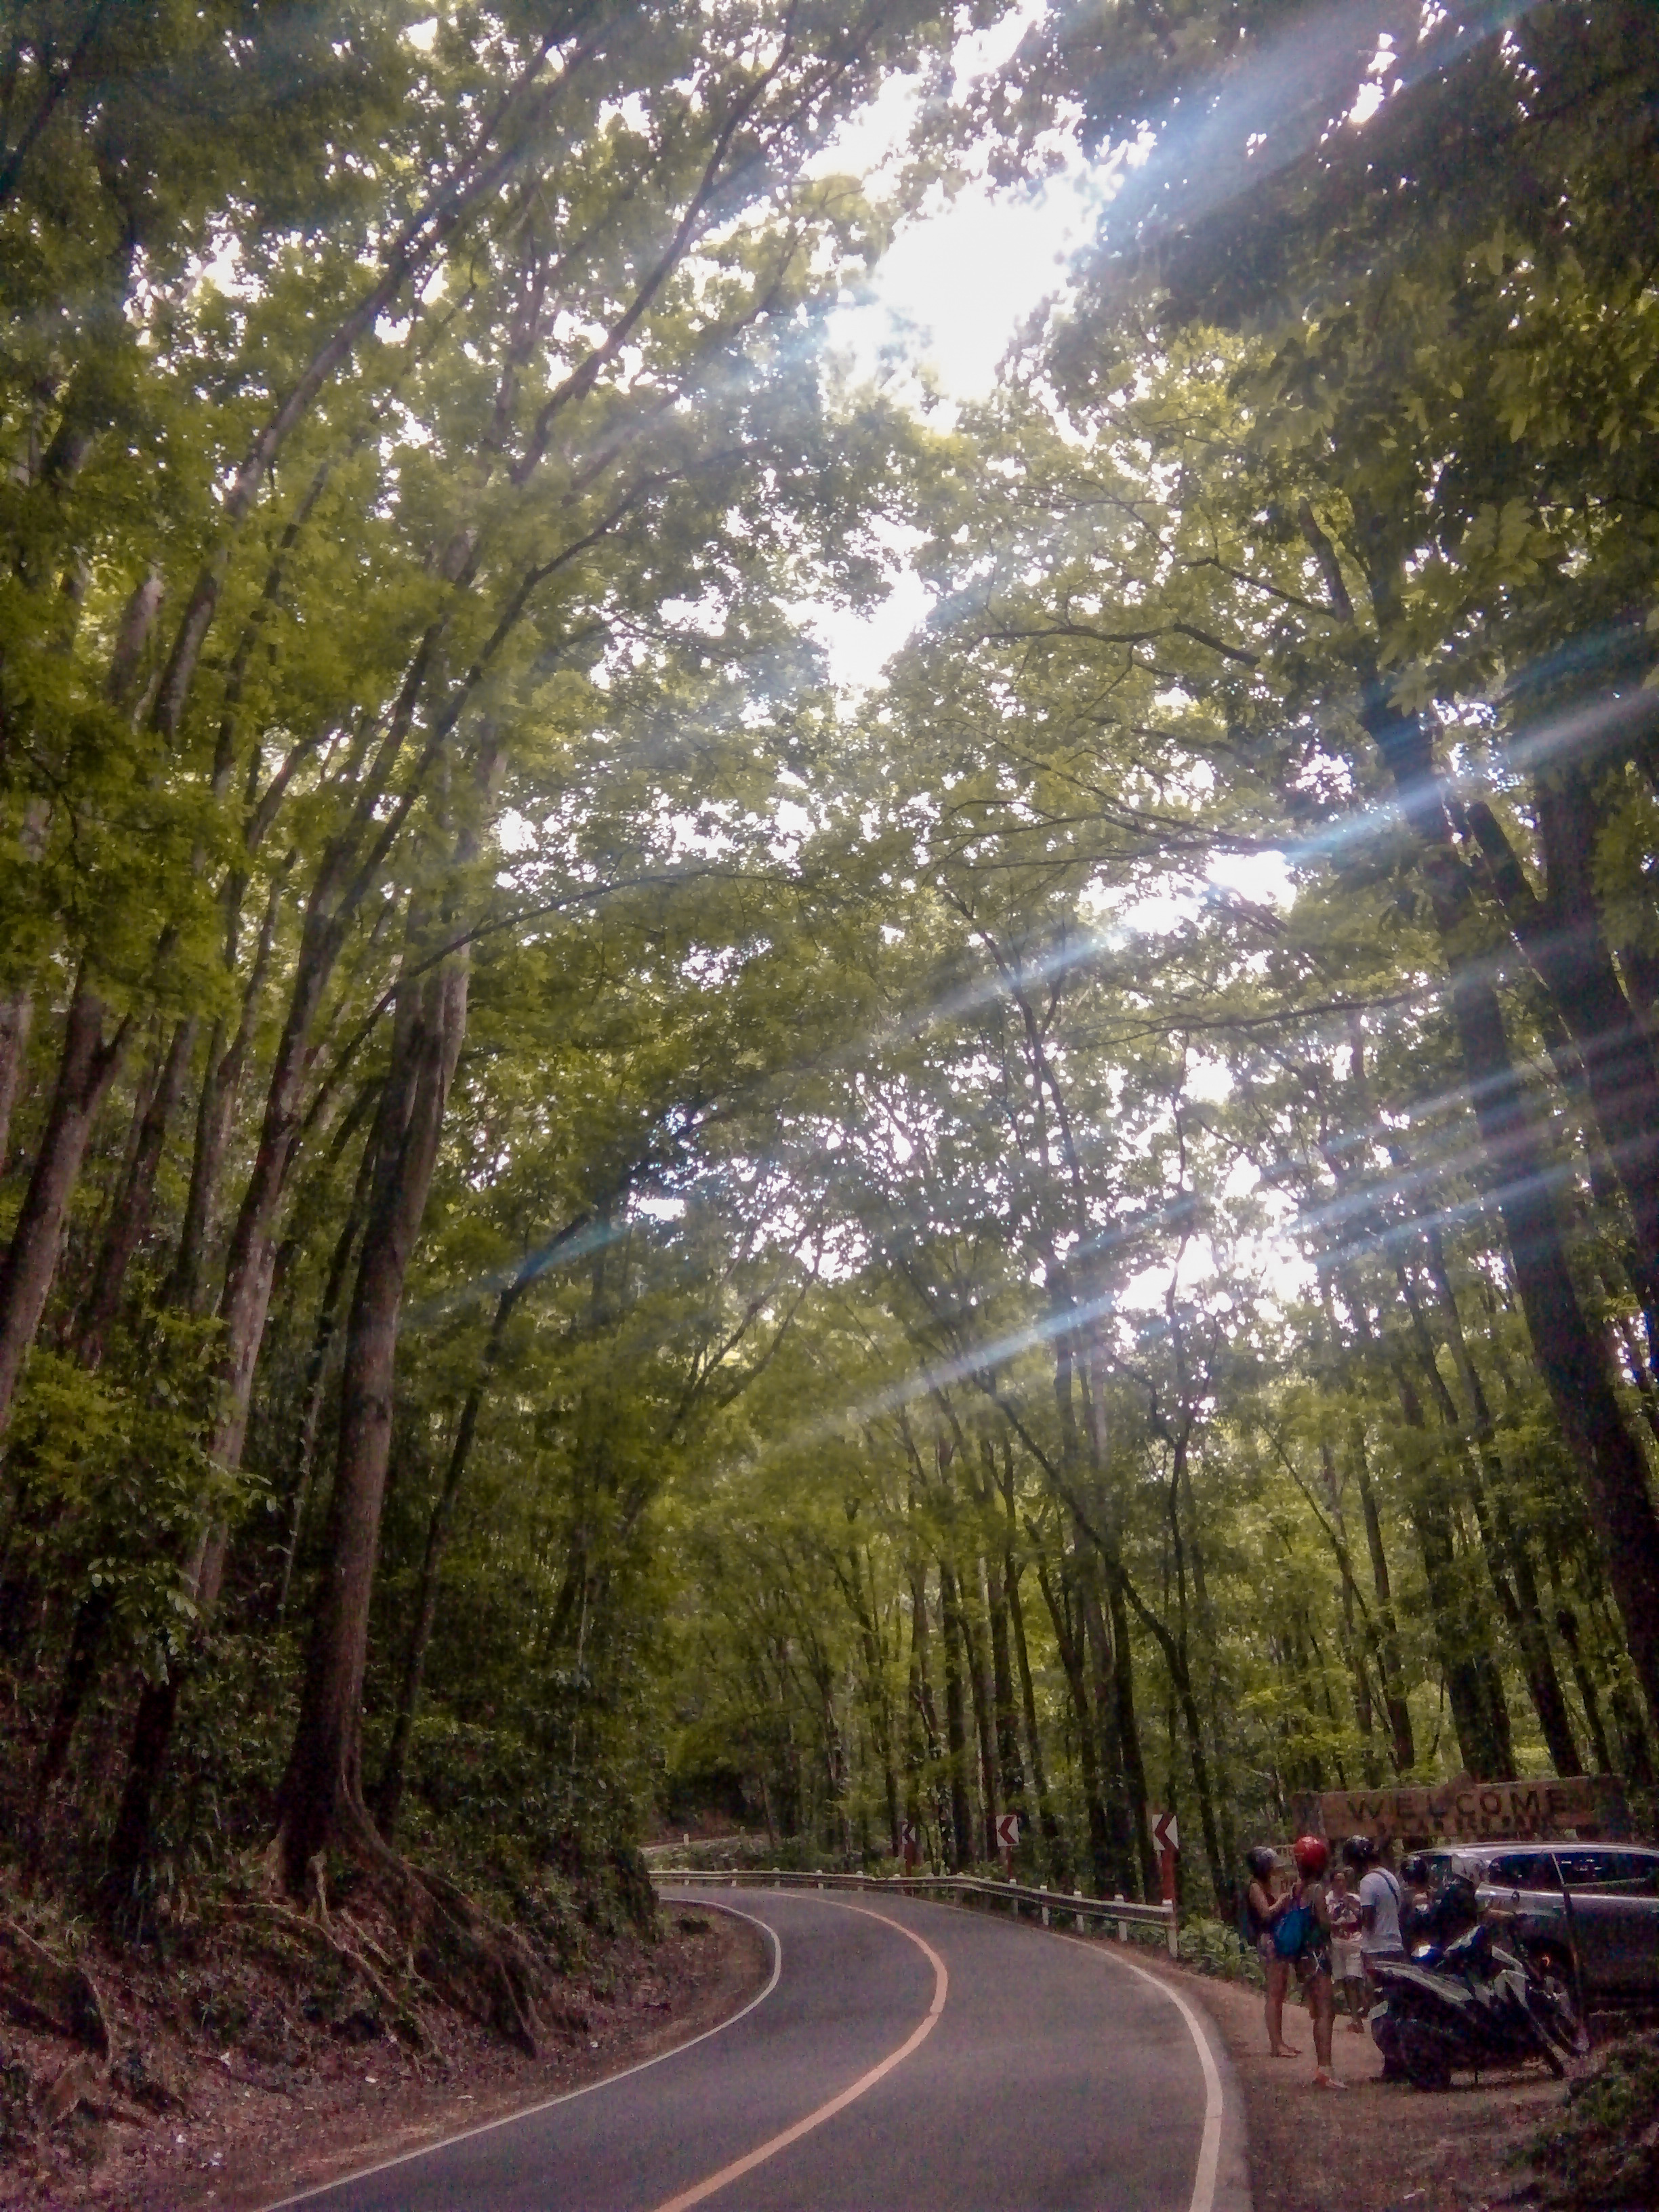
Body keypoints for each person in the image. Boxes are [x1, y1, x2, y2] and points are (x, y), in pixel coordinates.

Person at [1284, 1832, 1345, 2089]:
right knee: (1325, 2011)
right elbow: (1323, 1923)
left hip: (1302, 1959)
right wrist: (1334, 1923)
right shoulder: (1317, 1891)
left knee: (1319, 2012)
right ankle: (1325, 2069)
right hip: (1317, 1956)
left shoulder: (1296, 1890)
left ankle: (1323, 2068)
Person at [1242, 1845, 1300, 2058]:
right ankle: (1276, 2044)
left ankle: (1280, 2041)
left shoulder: (1267, 1885)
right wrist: (1282, 1901)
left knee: (1280, 1991)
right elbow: (1265, 1913)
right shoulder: (1255, 1887)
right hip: (1268, 1940)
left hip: (1276, 1939)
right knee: (1274, 1993)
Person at [1328, 1866, 1368, 2032]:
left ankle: (1358, 2016)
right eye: (1337, 1880)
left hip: (1354, 1942)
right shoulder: (1327, 1900)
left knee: (1353, 1978)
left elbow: (1363, 1918)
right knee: (1343, 1980)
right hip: (1336, 1944)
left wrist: (1351, 1907)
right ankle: (1353, 2016)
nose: (1340, 1883)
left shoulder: (1354, 1899)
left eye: (1342, 1880)